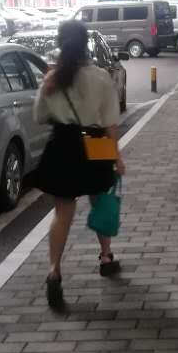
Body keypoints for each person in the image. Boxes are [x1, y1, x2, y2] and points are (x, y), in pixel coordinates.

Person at [32, 19, 125, 311]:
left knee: (62, 213)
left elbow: (39, 116)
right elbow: (110, 121)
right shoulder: (100, 77)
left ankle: (54, 271)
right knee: (101, 201)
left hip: (62, 145)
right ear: (86, 44)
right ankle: (106, 258)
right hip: (96, 143)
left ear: (60, 44)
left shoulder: (51, 79)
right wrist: (117, 156)